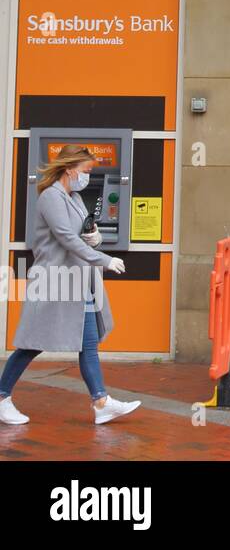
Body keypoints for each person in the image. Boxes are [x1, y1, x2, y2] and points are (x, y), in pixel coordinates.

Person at [0, 144, 141, 425]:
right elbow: (65, 237)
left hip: (78, 283)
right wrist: (103, 258)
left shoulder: (74, 197)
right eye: (85, 170)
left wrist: (95, 237)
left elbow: (80, 232)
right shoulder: (51, 197)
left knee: (88, 344)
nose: (87, 176)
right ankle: (2, 396)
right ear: (69, 168)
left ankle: (101, 402)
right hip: (54, 281)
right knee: (32, 343)